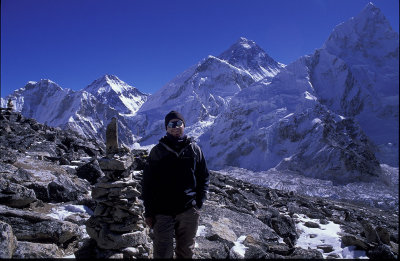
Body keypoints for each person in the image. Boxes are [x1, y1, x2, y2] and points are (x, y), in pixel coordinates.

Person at [141, 110, 210, 259]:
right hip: (162, 212)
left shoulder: (194, 150)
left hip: (188, 211)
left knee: (186, 252)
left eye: (179, 123)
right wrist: (149, 211)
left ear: (184, 125)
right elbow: (148, 184)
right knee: (162, 252)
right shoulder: (157, 152)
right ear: (166, 128)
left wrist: (198, 203)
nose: (175, 127)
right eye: (171, 124)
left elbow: (203, 176)